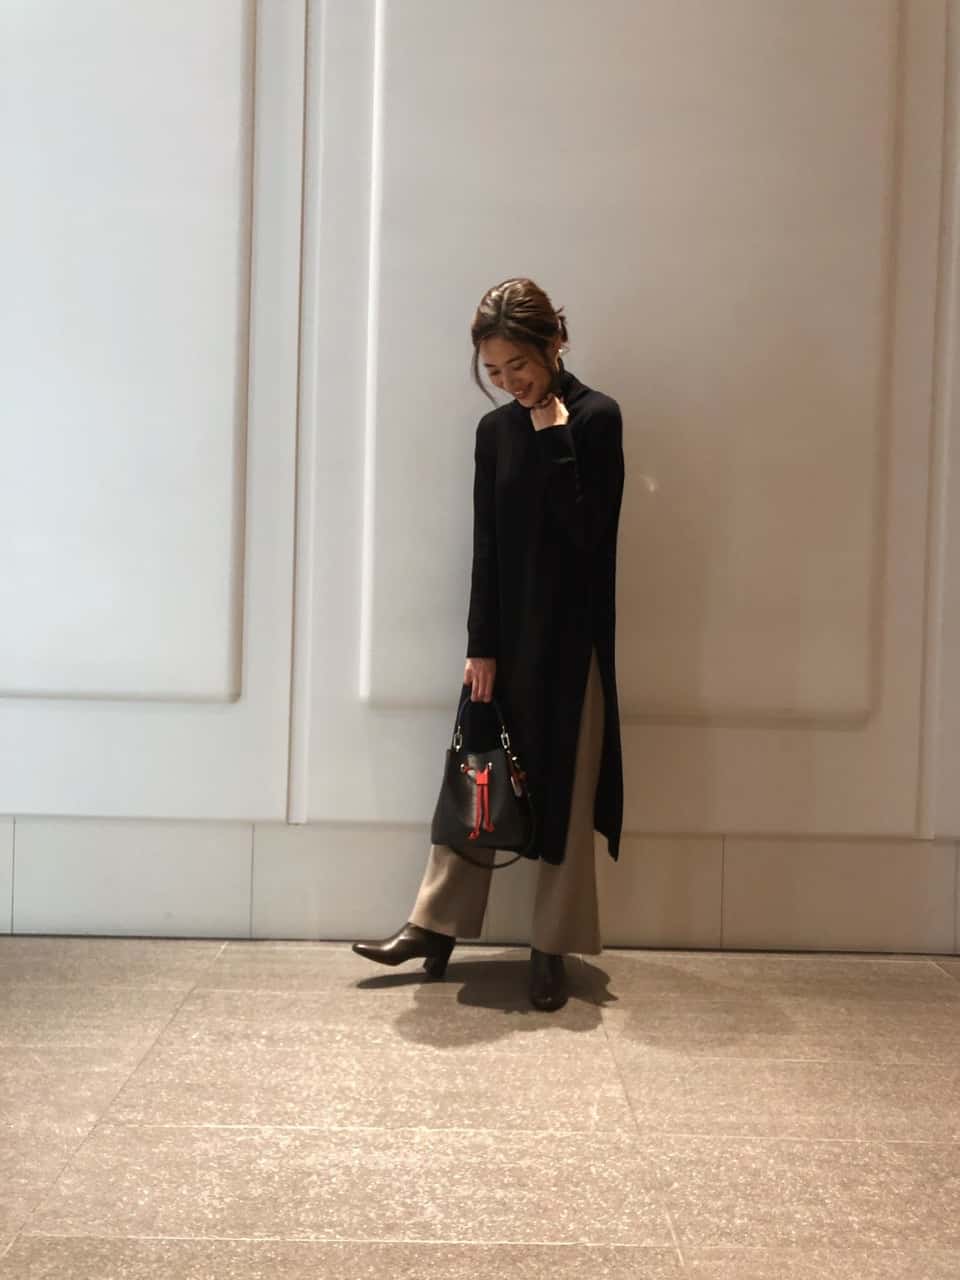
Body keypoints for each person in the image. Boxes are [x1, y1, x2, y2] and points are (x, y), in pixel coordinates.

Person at [353, 277, 625, 1011]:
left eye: (519, 366)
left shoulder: (597, 419)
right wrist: (480, 646)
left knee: (564, 797)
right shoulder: (493, 432)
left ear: (555, 344)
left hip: (572, 646)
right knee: (477, 774)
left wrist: (555, 436)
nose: (509, 382)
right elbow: (486, 547)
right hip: (503, 642)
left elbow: (590, 536)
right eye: (495, 371)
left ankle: (551, 947)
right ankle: (432, 927)